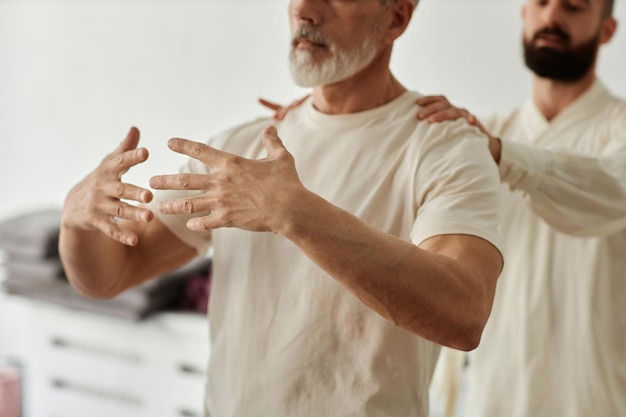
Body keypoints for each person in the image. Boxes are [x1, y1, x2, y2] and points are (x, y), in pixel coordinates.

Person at [58, 0, 504, 416]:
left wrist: (296, 214)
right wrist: (76, 221)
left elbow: (464, 313)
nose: (306, 10)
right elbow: (109, 276)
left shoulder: (445, 148)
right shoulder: (237, 149)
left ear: (396, 18)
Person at [413, 0, 626, 416]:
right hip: (488, 401)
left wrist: (501, 155)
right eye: (541, 3)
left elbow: (613, 188)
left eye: (573, 6)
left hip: (595, 403)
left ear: (606, 30)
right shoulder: (485, 135)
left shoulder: (493, 144)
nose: (551, 17)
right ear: (524, 15)